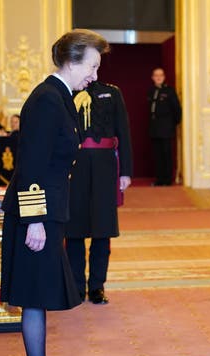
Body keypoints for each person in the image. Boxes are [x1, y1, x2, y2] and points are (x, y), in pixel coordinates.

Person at [0, 28, 109, 356]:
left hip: (48, 212)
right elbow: (30, 165)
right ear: (71, 61)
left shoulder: (62, 98)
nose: (94, 75)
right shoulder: (47, 100)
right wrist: (33, 221)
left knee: (39, 296)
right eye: (92, 66)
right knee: (34, 297)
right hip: (36, 214)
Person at [66, 81, 132, 304]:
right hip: (74, 167)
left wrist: (126, 172)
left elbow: (123, 130)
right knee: (74, 230)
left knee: (102, 229)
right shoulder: (66, 91)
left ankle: (97, 286)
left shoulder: (112, 92)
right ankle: (75, 286)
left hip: (105, 167)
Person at [147, 67, 181, 186]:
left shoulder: (169, 91)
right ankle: (159, 180)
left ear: (164, 77)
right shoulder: (151, 91)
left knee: (167, 155)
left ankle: (167, 180)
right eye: (156, 75)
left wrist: (172, 124)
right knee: (158, 156)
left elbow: (177, 110)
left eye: (161, 75)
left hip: (166, 129)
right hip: (155, 129)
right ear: (153, 78)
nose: (158, 77)